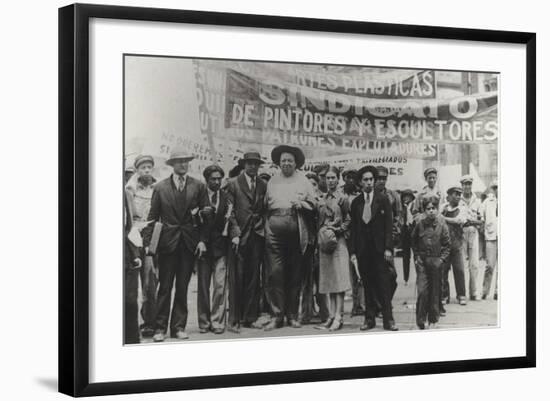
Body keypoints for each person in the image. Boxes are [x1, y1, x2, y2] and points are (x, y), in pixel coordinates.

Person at [142, 149, 209, 342]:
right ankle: (159, 328)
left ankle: (178, 327)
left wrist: (203, 240)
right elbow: (152, 219)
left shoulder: (198, 186)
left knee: (182, 287)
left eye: (185, 161)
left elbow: (206, 216)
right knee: (164, 287)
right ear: (172, 164)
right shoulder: (161, 187)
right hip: (167, 244)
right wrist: (148, 244)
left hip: (189, 244)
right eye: (179, 161)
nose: (183, 164)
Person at [264, 145, 317, 331]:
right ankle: (276, 316)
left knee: (295, 274)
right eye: (283, 160)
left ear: (296, 163)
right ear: (279, 163)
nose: (286, 163)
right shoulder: (272, 181)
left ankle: (292, 316)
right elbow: (265, 207)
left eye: (290, 161)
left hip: (296, 231)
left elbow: (314, 204)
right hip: (274, 231)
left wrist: (302, 203)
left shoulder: (304, 181)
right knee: (275, 273)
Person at [349, 165, 398, 331]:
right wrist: (353, 252)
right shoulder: (356, 203)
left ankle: (388, 320)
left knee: (384, 285)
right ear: (360, 182)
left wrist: (388, 249)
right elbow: (354, 229)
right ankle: (369, 320)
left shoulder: (383, 199)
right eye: (365, 180)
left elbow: (389, 226)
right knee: (368, 286)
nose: (369, 183)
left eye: (371, 179)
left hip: (380, 251)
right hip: (364, 251)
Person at [225, 152, 267, 333]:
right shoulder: (233, 183)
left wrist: (262, 226)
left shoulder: (264, 184)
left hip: (257, 235)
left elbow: (265, 209)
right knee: (236, 277)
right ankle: (234, 319)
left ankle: (250, 317)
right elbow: (230, 211)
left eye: (256, 164)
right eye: (249, 163)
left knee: (253, 278)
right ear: (243, 165)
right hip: (239, 237)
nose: (252, 167)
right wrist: (234, 232)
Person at [197, 165, 237, 335]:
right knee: (203, 287)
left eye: (219, 178)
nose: (216, 181)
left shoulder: (227, 197)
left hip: (221, 247)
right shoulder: (198, 196)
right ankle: (204, 322)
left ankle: (217, 321)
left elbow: (232, 218)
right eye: (213, 178)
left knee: (220, 286)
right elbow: (190, 219)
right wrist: (199, 240)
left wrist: (235, 234)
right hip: (203, 248)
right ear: (207, 179)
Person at [126, 154, 158, 338]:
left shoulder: (157, 188)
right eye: (143, 167)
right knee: (131, 285)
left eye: (149, 167)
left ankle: (148, 323)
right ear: (137, 170)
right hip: (132, 238)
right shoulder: (130, 189)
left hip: (150, 237)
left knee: (149, 281)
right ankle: (128, 324)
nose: (146, 170)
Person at [316, 166, 351, 331]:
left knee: (339, 279)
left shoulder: (343, 198)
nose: (330, 181)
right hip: (325, 242)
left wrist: (337, 230)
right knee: (329, 280)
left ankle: (339, 316)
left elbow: (348, 220)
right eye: (327, 178)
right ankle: (330, 315)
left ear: (338, 179)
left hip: (338, 242)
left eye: (333, 178)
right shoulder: (322, 199)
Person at [411, 196, 451, 329]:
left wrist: (441, 260)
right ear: (424, 210)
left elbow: (447, 245)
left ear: (437, 209)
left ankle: (433, 319)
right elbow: (413, 242)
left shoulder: (442, 226)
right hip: (422, 262)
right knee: (422, 291)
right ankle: (421, 319)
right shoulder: (419, 225)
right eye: (428, 209)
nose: (431, 211)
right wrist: (416, 257)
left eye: (434, 208)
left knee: (435, 292)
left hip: (436, 262)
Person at [341, 168, 365, 317]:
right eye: (347, 177)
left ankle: (360, 305)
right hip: (344, 237)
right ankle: (353, 305)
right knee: (349, 273)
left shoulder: (359, 196)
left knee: (360, 271)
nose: (350, 180)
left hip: (358, 236)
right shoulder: (341, 195)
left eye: (353, 177)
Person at [440, 186, 468, 307]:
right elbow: (437, 220)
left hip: (457, 243)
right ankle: (444, 295)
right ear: (449, 195)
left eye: (459, 194)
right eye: (455, 194)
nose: (458, 196)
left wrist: (444, 218)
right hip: (444, 244)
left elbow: (459, 221)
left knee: (459, 270)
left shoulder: (462, 208)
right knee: (443, 270)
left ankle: (461, 295)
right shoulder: (443, 207)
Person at [460, 175, 483, 301]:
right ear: (461, 186)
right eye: (465, 184)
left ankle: (474, 292)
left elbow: (481, 221)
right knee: (462, 264)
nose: (467, 186)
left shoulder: (477, 201)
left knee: (474, 264)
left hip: (474, 233)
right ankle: (462, 293)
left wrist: (471, 221)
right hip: (461, 234)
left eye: (469, 184)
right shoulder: (458, 200)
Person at [124, 189, 142, 344]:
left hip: (127, 252)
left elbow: (132, 226)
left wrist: (136, 254)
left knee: (130, 299)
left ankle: (132, 339)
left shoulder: (127, 195)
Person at [480, 180, 498, 300]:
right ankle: (485, 291)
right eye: (496, 187)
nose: (498, 190)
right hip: (491, 236)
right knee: (490, 266)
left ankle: (498, 291)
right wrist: (483, 222)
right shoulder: (488, 201)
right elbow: (481, 214)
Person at [400, 189, 416, 286]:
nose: (406, 198)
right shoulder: (402, 208)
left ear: (411, 197)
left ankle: (419, 276)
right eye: (404, 197)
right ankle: (406, 278)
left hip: (413, 232)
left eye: (408, 196)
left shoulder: (414, 206)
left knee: (416, 255)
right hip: (405, 233)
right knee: (405, 257)